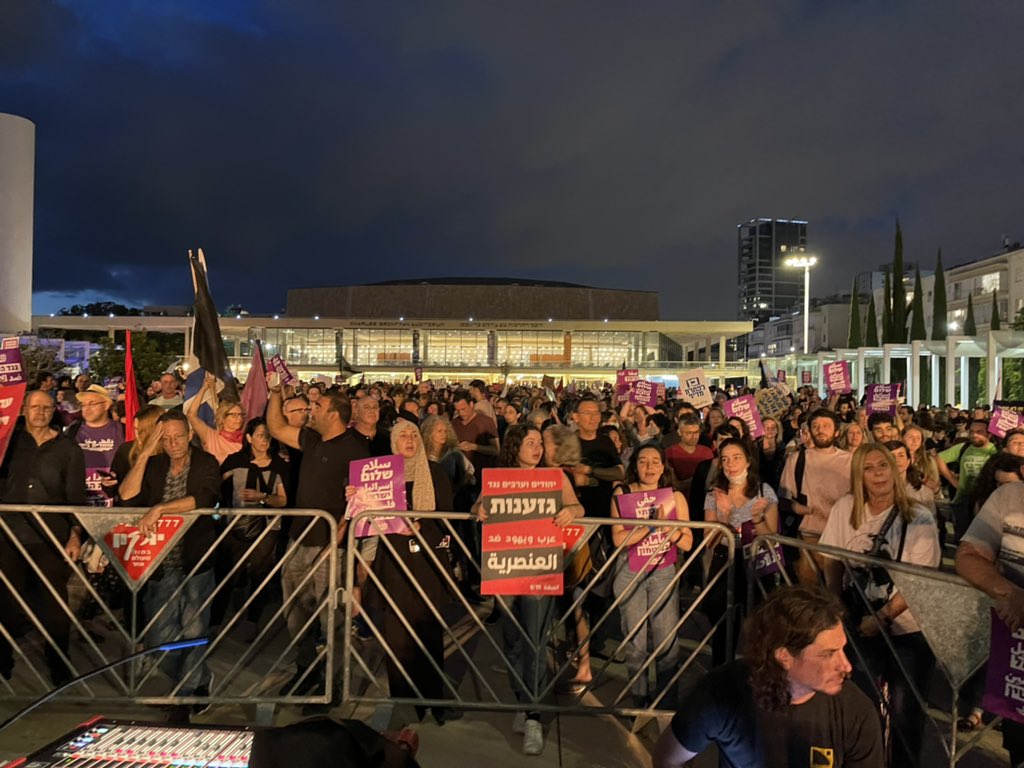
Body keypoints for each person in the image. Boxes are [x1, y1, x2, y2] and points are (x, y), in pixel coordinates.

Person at [652, 585, 883, 767]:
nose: (846, 665)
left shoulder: (855, 711)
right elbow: (668, 759)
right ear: (784, 656)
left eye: (843, 649)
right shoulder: (722, 691)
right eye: (829, 654)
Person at [818, 443, 940, 766]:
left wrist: (884, 616)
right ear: (859, 475)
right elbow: (830, 556)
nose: (878, 474)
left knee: (905, 712)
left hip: (907, 628)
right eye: (869, 468)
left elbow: (920, 580)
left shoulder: (919, 516)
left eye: (883, 466)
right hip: (859, 621)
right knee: (862, 703)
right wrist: (835, 599)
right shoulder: (846, 508)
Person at [474, 423, 584, 756]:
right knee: (511, 639)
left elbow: (579, 507)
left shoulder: (556, 478)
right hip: (506, 570)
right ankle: (522, 699)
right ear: (514, 446)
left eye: (540, 443)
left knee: (536, 640)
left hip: (539, 569)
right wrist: (478, 510)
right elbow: (477, 507)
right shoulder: (498, 478)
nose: (537, 448)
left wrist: (571, 511)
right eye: (530, 442)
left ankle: (534, 713)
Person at [266, 382, 368, 694]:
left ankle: (334, 681)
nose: (311, 410)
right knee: (296, 612)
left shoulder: (356, 450)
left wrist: (335, 542)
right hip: (299, 540)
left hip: (329, 547)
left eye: (318, 407)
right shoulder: (312, 439)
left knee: (331, 619)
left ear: (335, 414)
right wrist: (274, 393)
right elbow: (276, 426)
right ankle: (306, 669)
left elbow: (359, 504)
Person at [118, 409, 221, 714]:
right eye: (167, 438)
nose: (173, 443)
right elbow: (126, 495)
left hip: (195, 560)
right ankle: (201, 679)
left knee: (192, 630)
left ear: (190, 435)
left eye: (179, 436)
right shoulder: (155, 463)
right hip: (160, 562)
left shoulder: (206, 462)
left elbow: (203, 497)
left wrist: (160, 509)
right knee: (159, 635)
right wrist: (147, 451)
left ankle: (185, 695)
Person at [360, 418, 458, 725]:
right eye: (403, 436)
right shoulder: (380, 474)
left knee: (428, 630)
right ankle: (405, 699)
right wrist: (357, 496)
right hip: (393, 561)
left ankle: (433, 699)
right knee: (397, 635)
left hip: (427, 561)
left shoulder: (436, 473)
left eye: (414, 435)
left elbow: (446, 517)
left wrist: (419, 527)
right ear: (393, 442)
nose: (409, 440)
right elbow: (368, 521)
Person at [0, 390, 86, 685]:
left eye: (47, 408)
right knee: (6, 604)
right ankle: (2, 659)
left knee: (55, 608)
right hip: (8, 534)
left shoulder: (69, 449)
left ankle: (59, 664)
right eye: (35, 407)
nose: (41, 412)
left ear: (55, 411)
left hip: (51, 537)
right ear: (24, 409)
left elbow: (76, 497)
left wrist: (75, 536)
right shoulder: (7, 442)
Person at [610, 444, 692, 707]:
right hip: (629, 571)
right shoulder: (621, 493)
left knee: (666, 640)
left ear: (663, 466)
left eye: (655, 462)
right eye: (643, 461)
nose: (649, 467)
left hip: (662, 572)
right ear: (635, 465)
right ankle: (640, 697)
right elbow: (619, 539)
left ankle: (667, 701)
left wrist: (669, 528)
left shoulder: (675, 497)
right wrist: (648, 527)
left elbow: (688, 543)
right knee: (635, 641)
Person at [703, 438, 779, 666]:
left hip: (756, 560)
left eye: (736, 458)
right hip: (724, 558)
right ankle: (721, 671)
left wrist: (757, 520)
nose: (730, 464)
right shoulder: (714, 494)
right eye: (725, 459)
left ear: (748, 461)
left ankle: (761, 672)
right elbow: (709, 541)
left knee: (759, 621)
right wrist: (723, 519)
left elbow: (771, 537)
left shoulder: (764, 490)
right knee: (723, 621)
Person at [216, 418, 288, 636]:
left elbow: (283, 500)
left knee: (260, 571)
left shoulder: (279, 464)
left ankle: (252, 618)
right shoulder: (234, 460)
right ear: (248, 438)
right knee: (231, 572)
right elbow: (218, 487)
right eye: (259, 435)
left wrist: (263, 497)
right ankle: (219, 618)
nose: (264, 440)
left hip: (267, 528)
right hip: (234, 526)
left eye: (267, 436)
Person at [778, 408, 852, 583]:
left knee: (838, 592)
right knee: (809, 592)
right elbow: (783, 498)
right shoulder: (796, 459)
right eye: (816, 426)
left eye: (826, 426)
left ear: (836, 432)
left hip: (842, 536)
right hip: (808, 536)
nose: (820, 430)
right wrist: (798, 508)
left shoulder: (851, 461)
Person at [937, 418, 997, 543]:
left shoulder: (996, 450)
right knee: (962, 538)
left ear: (989, 434)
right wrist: (952, 479)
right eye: (972, 431)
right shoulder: (963, 448)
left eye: (979, 432)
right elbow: (938, 458)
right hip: (963, 500)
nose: (974, 435)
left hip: (988, 500)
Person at [68, 384, 126, 507]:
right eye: (83, 404)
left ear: (106, 405)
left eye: (92, 404)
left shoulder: (122, 431)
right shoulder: (73, 431)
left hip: (113, 502)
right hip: (80, 502)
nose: (86, 409)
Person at [186, 373, 246, 466]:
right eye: (234, 415)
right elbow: (191, 414)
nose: (239, 418)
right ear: (223, 417)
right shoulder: (211, 436)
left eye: (241, 414)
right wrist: (203, 389)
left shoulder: (247, 439)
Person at [664, 413, 713, 496]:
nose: (693, 437)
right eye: (689, 433)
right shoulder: (669, 453)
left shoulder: (707, 452)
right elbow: (671, 485)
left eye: (696, 432)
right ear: (679, 432)